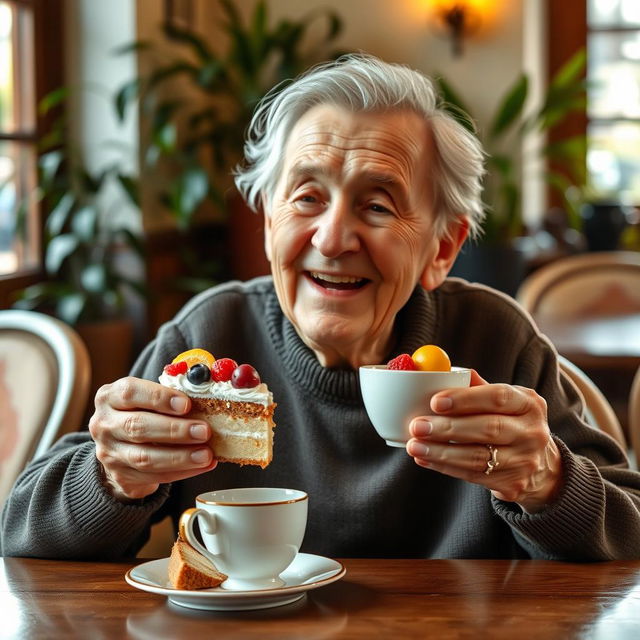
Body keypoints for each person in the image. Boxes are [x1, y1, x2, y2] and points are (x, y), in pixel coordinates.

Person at [2, 54, 640, 561]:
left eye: (378, 206)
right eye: (306, 198)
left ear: (442, 248)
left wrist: (549, 482)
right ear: (268, 224)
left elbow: (630, 529)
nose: (332, 239)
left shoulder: (495, 341)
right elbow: (22, 531)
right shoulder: (210, 337)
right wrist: (113, 477)